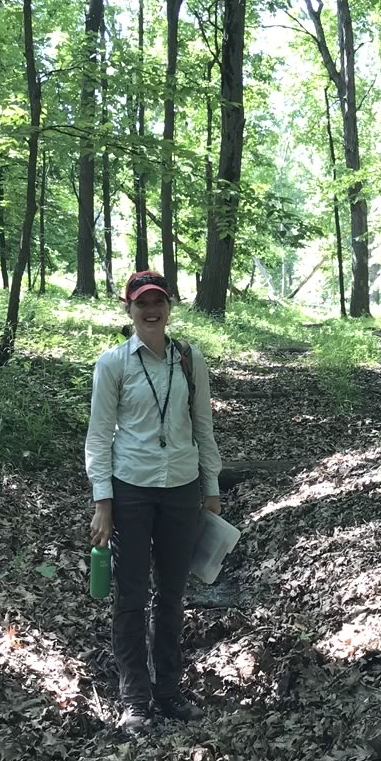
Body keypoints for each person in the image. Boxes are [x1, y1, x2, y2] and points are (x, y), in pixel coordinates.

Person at [86, 270, 223, 734]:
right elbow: (99, 436)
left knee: (171, 594)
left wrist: (212, 486)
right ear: (128, 309)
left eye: (158, 301)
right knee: (130, 595)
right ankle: (134, 700)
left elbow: (202, 425)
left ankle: (168, 691)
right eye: (141, 303)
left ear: (168, 307)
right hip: (131, 489)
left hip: (182, 487)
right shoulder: (113, 364)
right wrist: (102, 500)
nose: (150, 310)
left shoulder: (189, 359)